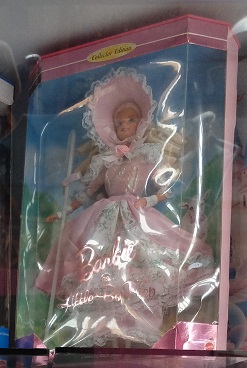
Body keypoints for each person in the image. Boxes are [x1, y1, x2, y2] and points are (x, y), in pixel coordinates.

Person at [35, 70, 215, 346]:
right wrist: (63, 212)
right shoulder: (105, 162)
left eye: (130, 121)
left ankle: (143, 322)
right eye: (119, 123)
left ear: (140, 123)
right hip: (105, 217)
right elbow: (86, 193)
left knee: (144, 260)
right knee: (100, 264)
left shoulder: (147, 156)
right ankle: (105, 322)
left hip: (137, 214)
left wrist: (147, 201)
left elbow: (165, 189)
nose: (123, 126)